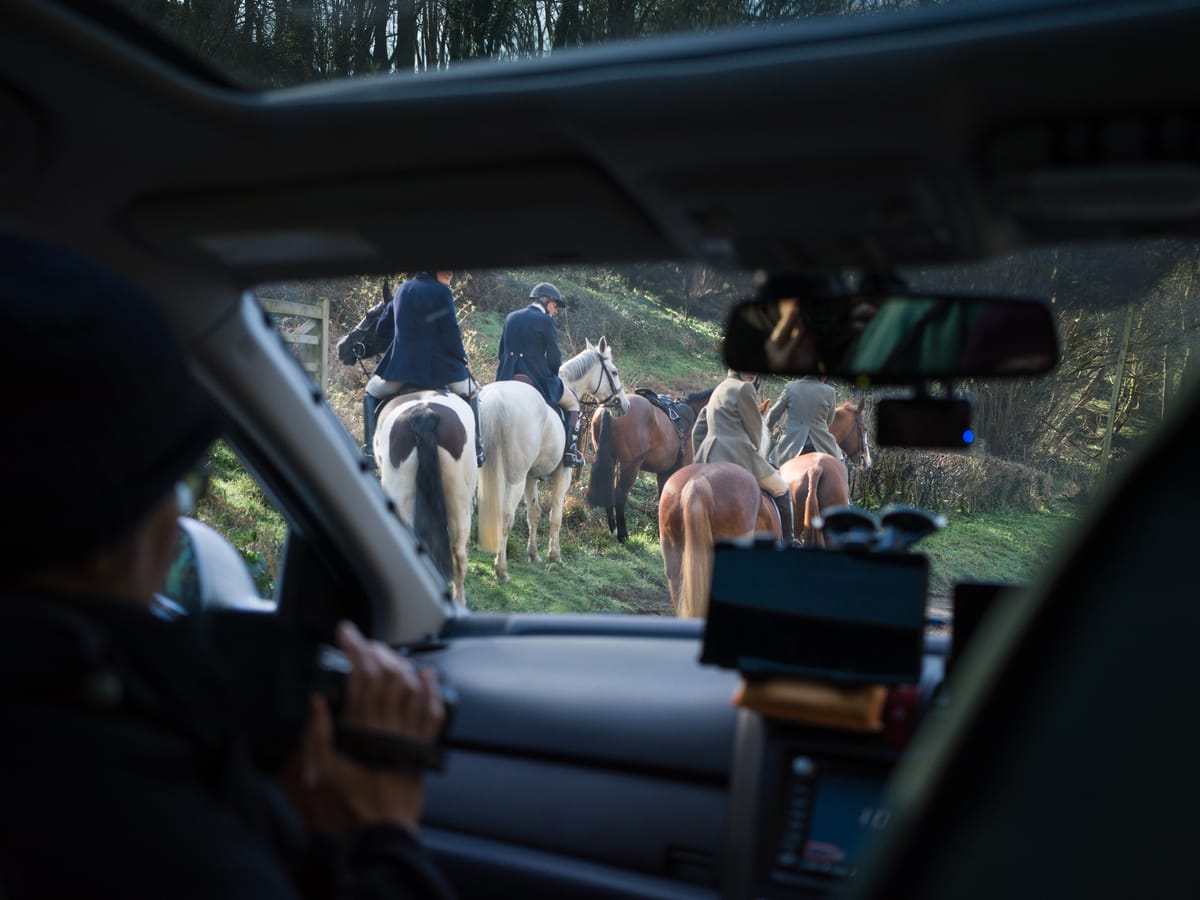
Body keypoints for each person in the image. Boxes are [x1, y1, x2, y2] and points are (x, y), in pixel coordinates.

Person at [0, 235, 456, 900]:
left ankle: (368, 441)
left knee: (369, 402)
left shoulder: (404, 294)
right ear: (119, 519)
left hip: (400, 378)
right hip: (446, 381)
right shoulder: (151, 830)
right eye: (179, 488)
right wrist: (382, 834)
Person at [361, 270, 485, 467]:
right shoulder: (442, 292)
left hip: (402, 370)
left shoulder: (402, 290)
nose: (450, 273)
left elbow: (382, 329)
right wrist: (462, 357)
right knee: (472, 393)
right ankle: (478, 450)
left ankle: (369, 451)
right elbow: (451, 333)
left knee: (370, 392)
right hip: (441, 371)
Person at [692, 369, 797, 547]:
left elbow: (698, 430)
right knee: (782, 490)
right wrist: (756, 454)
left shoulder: (719, 389)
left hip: (708, 456)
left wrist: (699, 458)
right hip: (740, 456)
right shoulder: (744, 388)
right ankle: (788, 543)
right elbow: (755, 430)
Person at [495, 282, 584, 468]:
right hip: (536, 378)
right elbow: (554, 357)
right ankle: (569, 453)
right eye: (554, 305)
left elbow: (500, 352)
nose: (555, 310)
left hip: (506, 376)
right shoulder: (547, 322)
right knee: (573, 403)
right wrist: (552, 374)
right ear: (545, 300)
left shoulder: (511, 317)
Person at [766, 374, 844, 465]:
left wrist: (767, 427)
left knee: (773, 462)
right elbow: (829, 420)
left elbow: (774, 413)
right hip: (821, 442)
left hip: (792, 443)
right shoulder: (830, 391)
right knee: (840, 462)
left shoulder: (791, 387)